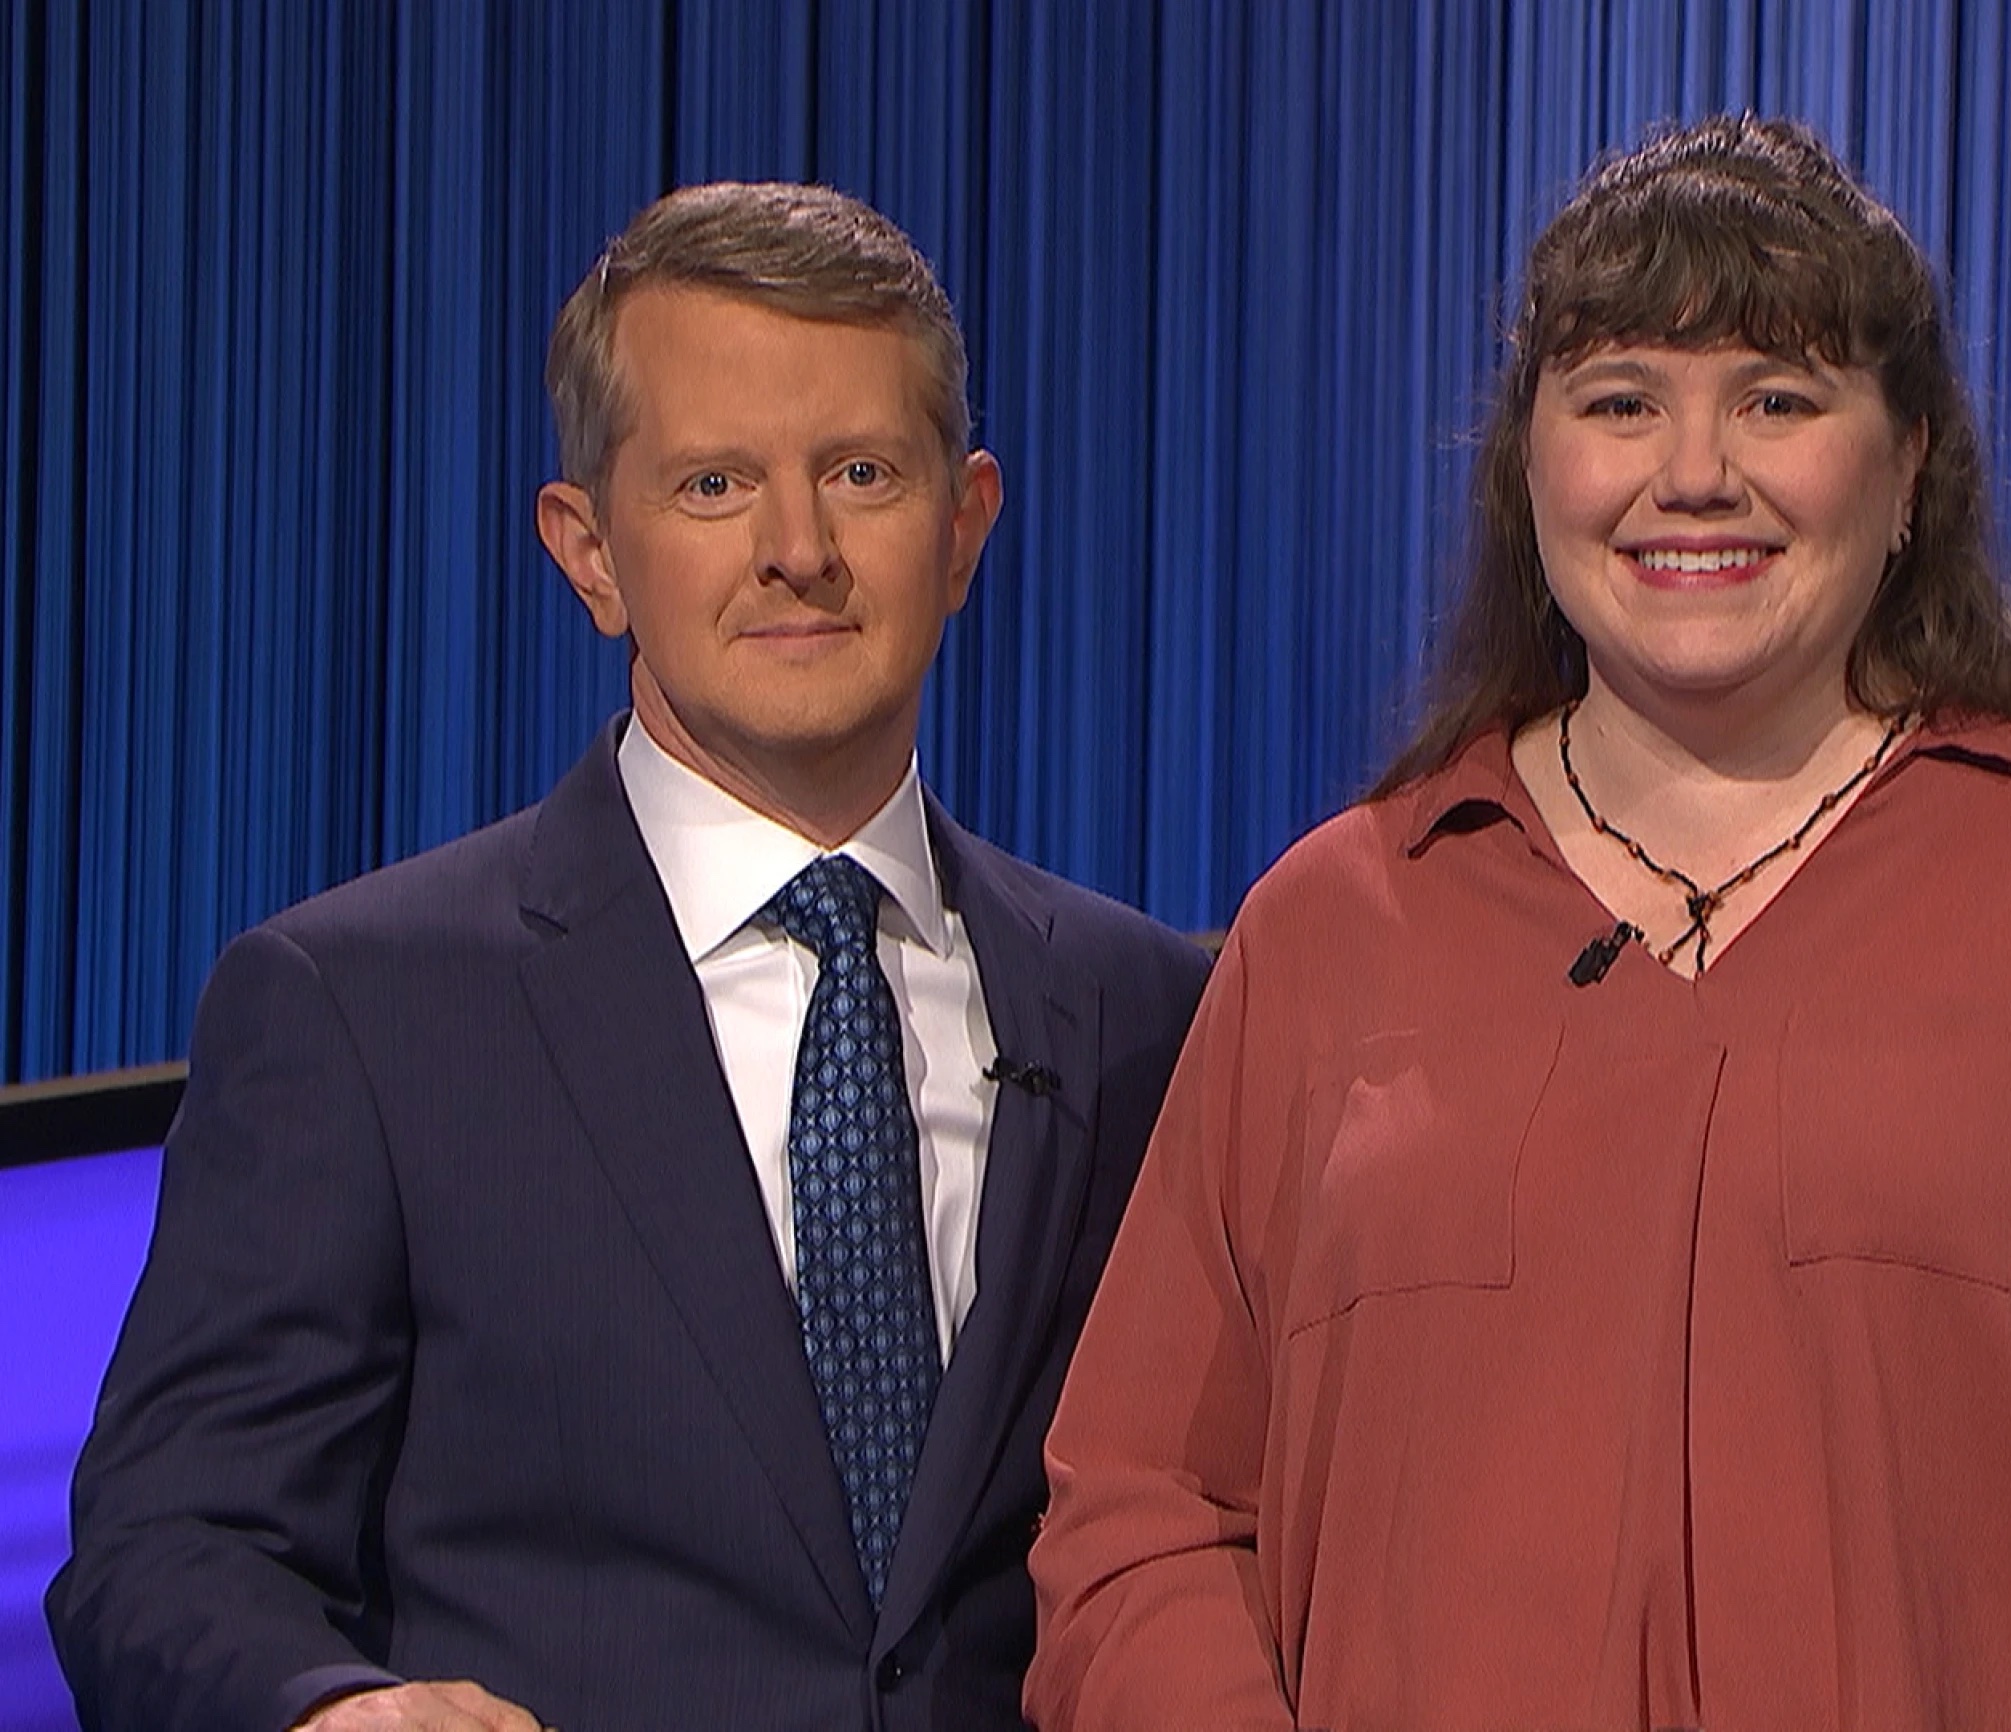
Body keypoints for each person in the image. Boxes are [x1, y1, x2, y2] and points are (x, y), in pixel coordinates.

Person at [1025, 117, 2011, 1732]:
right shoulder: (1332, 927)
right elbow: (1144, 1511)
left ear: (1909, 471)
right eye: (1622, 403)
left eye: (1778, 397)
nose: (1694, 473)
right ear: (1530, 472)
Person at [48, 182, 1211, 1731]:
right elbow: (169, 1542)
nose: (798, 550)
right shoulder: (362, 1011)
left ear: (963, 525)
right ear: (589, 552)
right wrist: (322, 1706)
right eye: (717, 485)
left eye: (860, 472)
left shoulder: (1141, 1006)